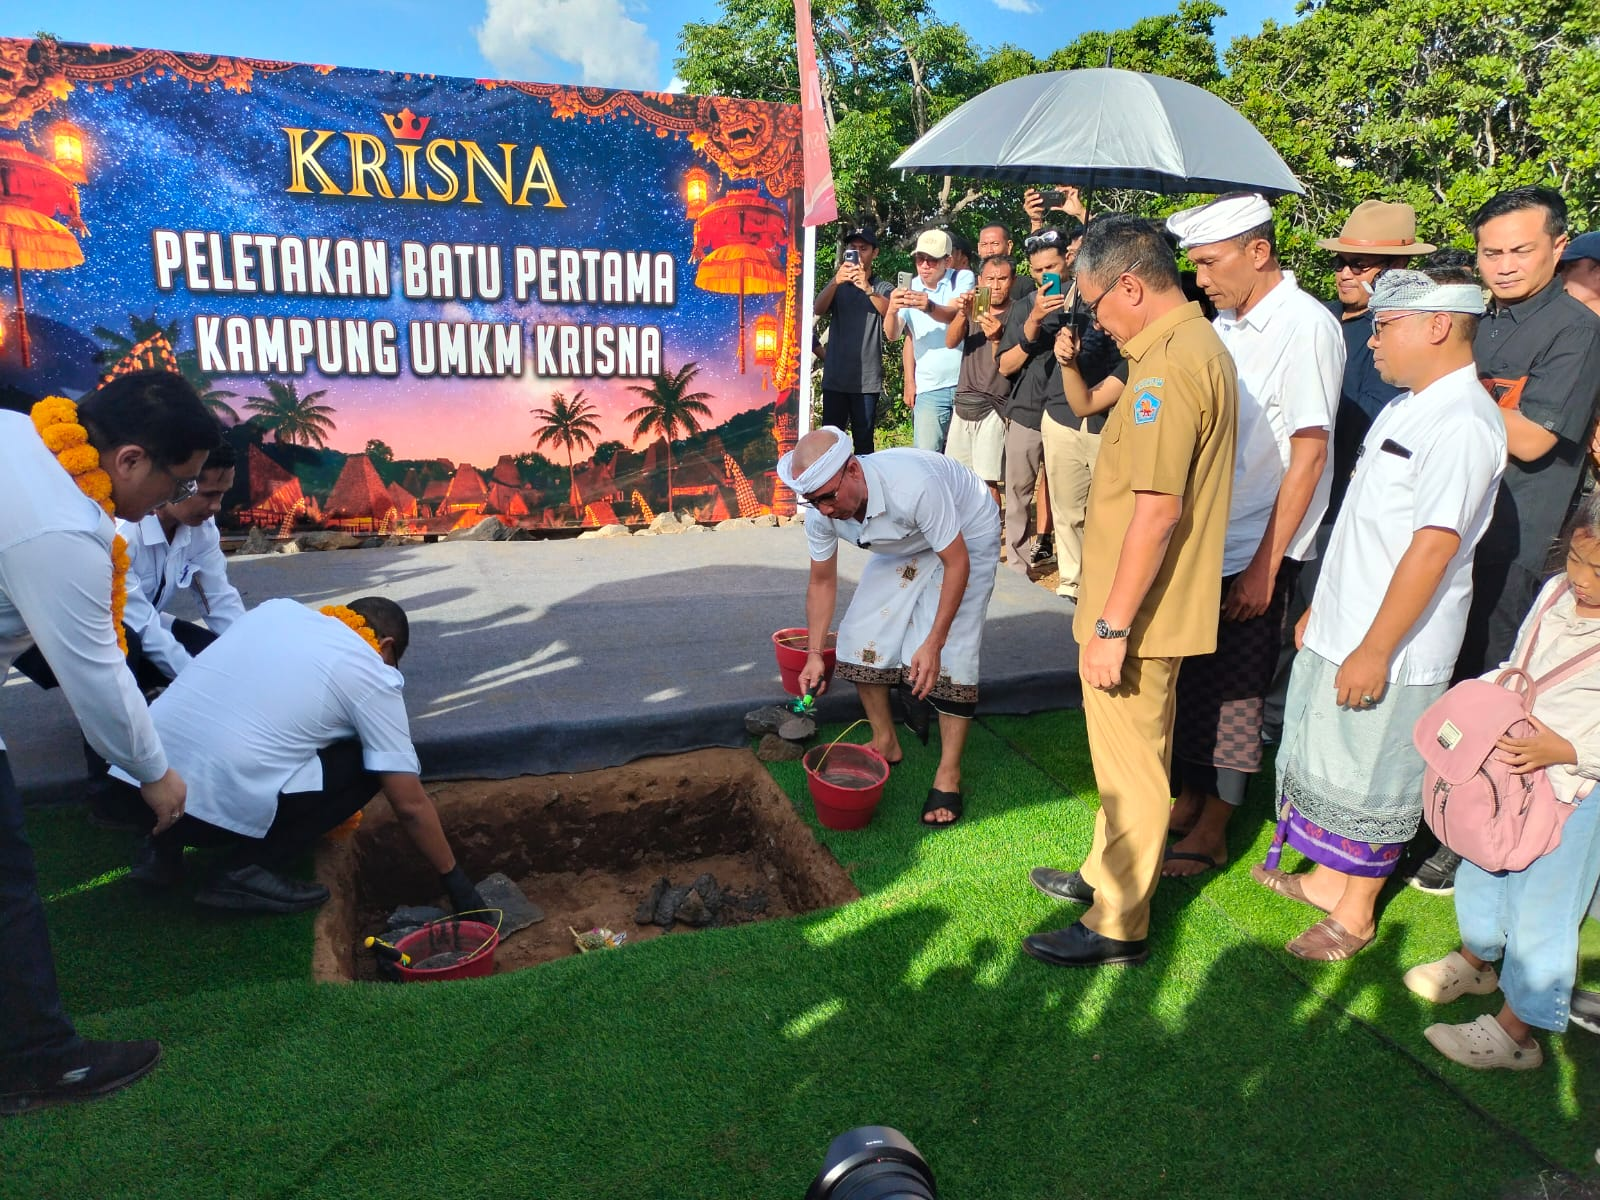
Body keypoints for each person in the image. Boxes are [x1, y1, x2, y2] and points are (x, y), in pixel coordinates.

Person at [1252, 270, 1507, 960]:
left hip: (1395, 644)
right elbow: (1368, 527)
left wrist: (1372, 649)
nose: (1372, 342)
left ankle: (1357, 912)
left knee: (1372, 778)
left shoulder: (1462, 421)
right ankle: (1330, 882)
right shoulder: (1408, 406)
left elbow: (1432, 548)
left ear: (1438, 326)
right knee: (1332, 763)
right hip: (1348, 624)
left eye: (1387, 325)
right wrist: (1325, 616)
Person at [0, 369, 219, 1115]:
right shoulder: (62, 527)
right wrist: (156, 775)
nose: (169, 504)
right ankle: (39, 1061)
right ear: (127, 460)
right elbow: (95, 672)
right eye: (171, 485)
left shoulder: (17, 437)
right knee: (5, 879)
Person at [1023, 216, 1238, 969]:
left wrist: (1112, 628)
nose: (1094, 320)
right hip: (1146, 606)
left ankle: (1118, 924)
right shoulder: (1184, 348)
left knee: (1134, 770)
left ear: (1130, 285)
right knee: (1128, 758)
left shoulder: (1171, 367)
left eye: (1095, 302)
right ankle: (1101, 875)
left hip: (1138, 615)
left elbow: (1156, 510)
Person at [1411, 187, 1600, 896]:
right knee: (1432, 672)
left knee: (1488, 684)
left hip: (1511, 539)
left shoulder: (1576, 332)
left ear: (1559, 247)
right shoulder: (1478, 316)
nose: (1506, 264)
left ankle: (1469, 826)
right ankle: (1422, 801)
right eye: (1492, 251)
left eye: (1522, 249)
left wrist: (1453, 384)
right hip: (1447, 525)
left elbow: (1532, 436)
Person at [1161, 194, 1346, 879]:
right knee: (1196, 682)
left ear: (1258, 252)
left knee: (1238, 694)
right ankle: (1187, 801)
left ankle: (1212, 830)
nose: (1201, 278)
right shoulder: (1229, 325)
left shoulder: (1306, 327)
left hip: (1259, 548)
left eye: (1210, 263)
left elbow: (1309, 454)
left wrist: (1267, 564)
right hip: (1209, 538)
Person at [108, 596, 488, 919]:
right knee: (371, 764)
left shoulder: (276, 611)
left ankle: (160, 853)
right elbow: (408, 804)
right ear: (386, 646)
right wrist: (456, 883)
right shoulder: (372, 670)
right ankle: (243, 870)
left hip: (134, 788)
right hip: (197, 814)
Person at [1402, 492, 1600, 1070]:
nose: (1583, 580)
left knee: (1546, 906)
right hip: (1510, 771)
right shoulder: (1556, 591)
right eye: (1577, 561)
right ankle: (1477, 962)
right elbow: (1521, 655)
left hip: (1575, 790)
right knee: (1484, 863)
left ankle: (1517, 1033)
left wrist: (1566, 749)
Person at [779, 427, 1001, 828]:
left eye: (829, 497)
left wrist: (933, 642)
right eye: (813, 501)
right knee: (859, 636)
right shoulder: (822, 512)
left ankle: (948, 773)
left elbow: (957, 563)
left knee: (951, 654)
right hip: (903, 538)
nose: (825, 510)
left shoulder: (913, 486)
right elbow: (822, 582)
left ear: (852, 471)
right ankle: (886, 740)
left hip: (966, 527)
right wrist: (814, 654)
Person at [118, 441, 245, 683]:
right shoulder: (124, 533)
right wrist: (193, 683)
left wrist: (252, 659)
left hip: (145, 621)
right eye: (209, 494)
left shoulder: (203, 530)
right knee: (129, 645)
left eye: (223, 494)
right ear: (178, 482)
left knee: (218, 654)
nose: (216, 506)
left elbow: (219, 600)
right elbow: (139, 622)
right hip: (89, 632)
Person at [997, 227, 1076, 577]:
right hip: (1027, 410)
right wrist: (1034, 322)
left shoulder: (1089, 303)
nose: (1048, 276)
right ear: (1031, 271)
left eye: (1053, 267)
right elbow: (1005, 365)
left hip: (1073, 413)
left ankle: (1075, 572)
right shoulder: (1023, 308)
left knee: (1070, 500)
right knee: (1017, 496)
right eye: (1040, 270)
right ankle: (1016, 567)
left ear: (1068, 262)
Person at [943, 254, 1018, 506]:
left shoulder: (1018, 312)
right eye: (990, 279)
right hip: (964, 400)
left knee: (987, 481)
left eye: (1002, 279)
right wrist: (963, 314)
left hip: (995, 405)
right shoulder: (976, 309)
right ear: (979, 281)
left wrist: (999, 336)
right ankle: (968, 535)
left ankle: (992, 539)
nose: (995, 286)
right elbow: (950, 341)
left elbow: (1008, 365)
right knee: (958, 478)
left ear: (1013, 280)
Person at [814, 225, 894, 456]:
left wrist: (867, 288)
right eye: (853, 247)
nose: (857, 252)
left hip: (866, 382)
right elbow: (818, 308)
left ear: (875, 253)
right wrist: (835, 281)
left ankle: (865, 492)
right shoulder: (838, 285)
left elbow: (891, 312)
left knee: (864, 445)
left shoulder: (882, 287)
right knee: (829, 446)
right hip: (835, 379)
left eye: (863, 248)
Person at [886, 229, 968, 453]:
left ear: (948, 261)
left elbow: (954, 313)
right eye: (920, 259)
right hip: (929, 388)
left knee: (963, 464)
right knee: (927, 460)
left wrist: (928, 306)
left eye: (932, 260)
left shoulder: (962, 278)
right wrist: (892, 311)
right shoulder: (909, 286)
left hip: (965, 385)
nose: (924, 265)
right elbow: (894, 335)